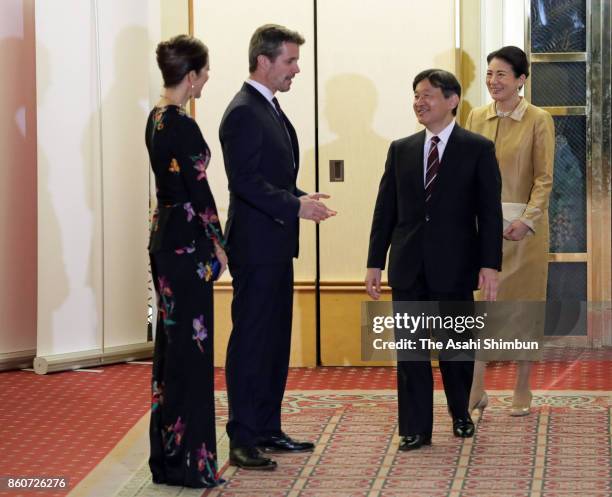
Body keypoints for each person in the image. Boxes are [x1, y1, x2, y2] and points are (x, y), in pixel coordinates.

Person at [365, 69, 503, 451]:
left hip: (455, 264)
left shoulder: (476, 148)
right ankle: (414, 427)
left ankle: (461, 412)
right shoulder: (402, 149)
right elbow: (384, 211)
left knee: (455, 347)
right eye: (415, 95)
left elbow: (489, 213)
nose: (419, 102)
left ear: (452, 100)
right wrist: (374, 261)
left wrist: (490, 265)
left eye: (427, 95)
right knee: (410, 350)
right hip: (408, 263)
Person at [219, 24, 336, 470]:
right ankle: (242, 436)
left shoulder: (267, 107)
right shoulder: (243, 111)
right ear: (263, 61)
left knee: (272, 341)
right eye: (289, 60)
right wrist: (295, 207)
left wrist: (298, 199)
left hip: (275, 243)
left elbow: (274, 179)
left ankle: (267, 426)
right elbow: (244, 182)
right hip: (255, 245)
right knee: (252, 341)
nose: (296, 68)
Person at [146, 35, 227, 488]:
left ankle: (169, 462)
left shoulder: (154, 119)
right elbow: (200, 191)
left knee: (172, 353)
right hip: (187, 247)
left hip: (164, 241)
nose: (207, 78)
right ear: (192, 76)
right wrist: (218, 242)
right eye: (206, 71)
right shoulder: (181, 123)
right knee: (193, 358)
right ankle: (194, 467)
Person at [466, 46, 555, 416]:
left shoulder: (538, 119)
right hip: (481, 229)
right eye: (489, 73)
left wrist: (527, 220)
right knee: (479, 308)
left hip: (524, 230)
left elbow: (544, 178)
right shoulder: (475, 117)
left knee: (522, 308)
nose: (493, 81)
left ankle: (523, 385)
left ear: (521, 79)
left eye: (501, 74)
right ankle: (476, 386)